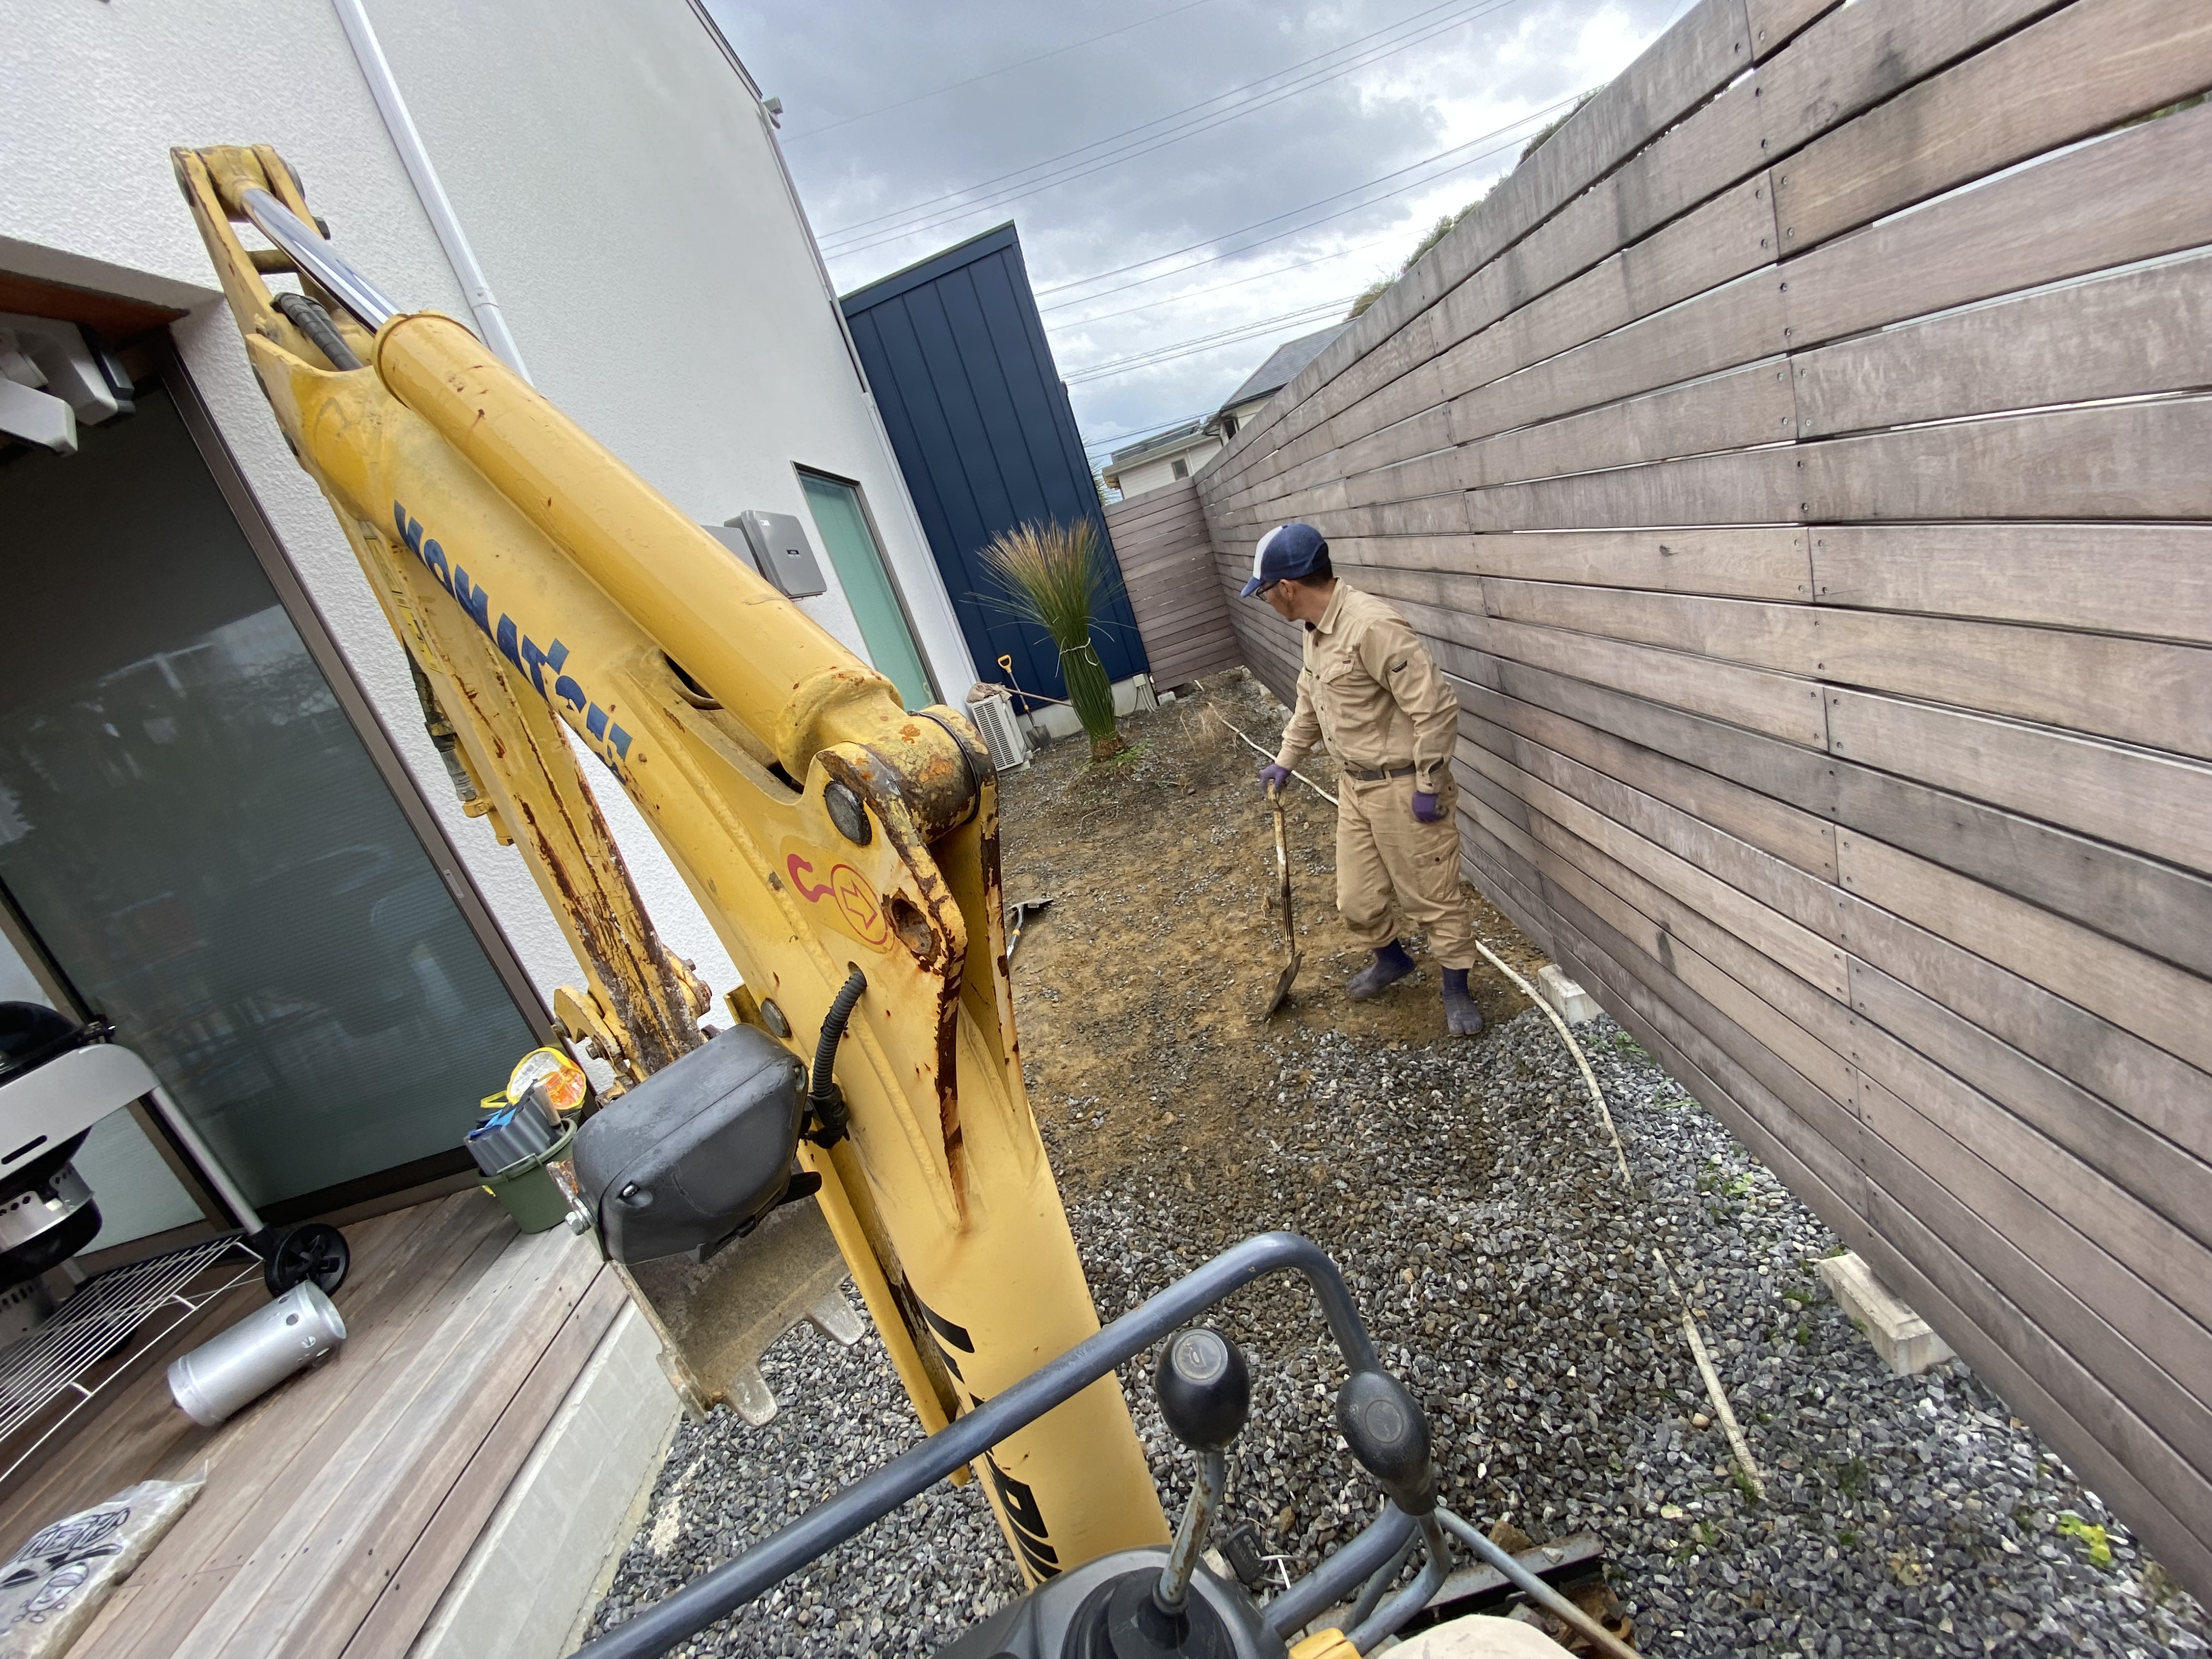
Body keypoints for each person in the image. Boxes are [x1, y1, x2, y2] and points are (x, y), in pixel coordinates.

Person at [1244, 522, 1483, 1038]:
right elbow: (1311, 702)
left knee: (1432, 896)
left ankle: (1456, 988)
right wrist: (1286, 760)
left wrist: (1428, 784)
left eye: (1264, 592)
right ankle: (1392, 959)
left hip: (1404, 788)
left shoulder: (1372, 627)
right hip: (1355, 787)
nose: (1266, 601)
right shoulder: (1315, 631)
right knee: (1356, 899)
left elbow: (1435, 709)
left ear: (1287, 587)